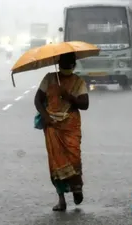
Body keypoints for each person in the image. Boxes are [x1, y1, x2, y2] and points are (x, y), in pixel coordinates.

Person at [34, 52, 89, 211]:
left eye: (69, 63)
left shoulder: (78, 82)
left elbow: (85, 104)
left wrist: (69, 96)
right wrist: (47, 117)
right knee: (55, 162)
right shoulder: (49, 79)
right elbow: (37, 100)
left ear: (73, 65)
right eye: (64, 63)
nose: (66, 66)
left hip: (70, 126)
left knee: (74, 157)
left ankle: (77, 188)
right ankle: (61, 199)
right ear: (59, 64)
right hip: (52, 126)